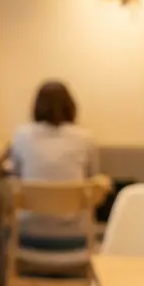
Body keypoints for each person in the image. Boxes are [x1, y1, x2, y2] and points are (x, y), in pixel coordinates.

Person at [11, 81, 99, 250]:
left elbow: (16, 175)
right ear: (71, 107)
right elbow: (92, 177)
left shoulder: (22, 136)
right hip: (76, 238)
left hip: (28, 236)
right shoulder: (86, 139)